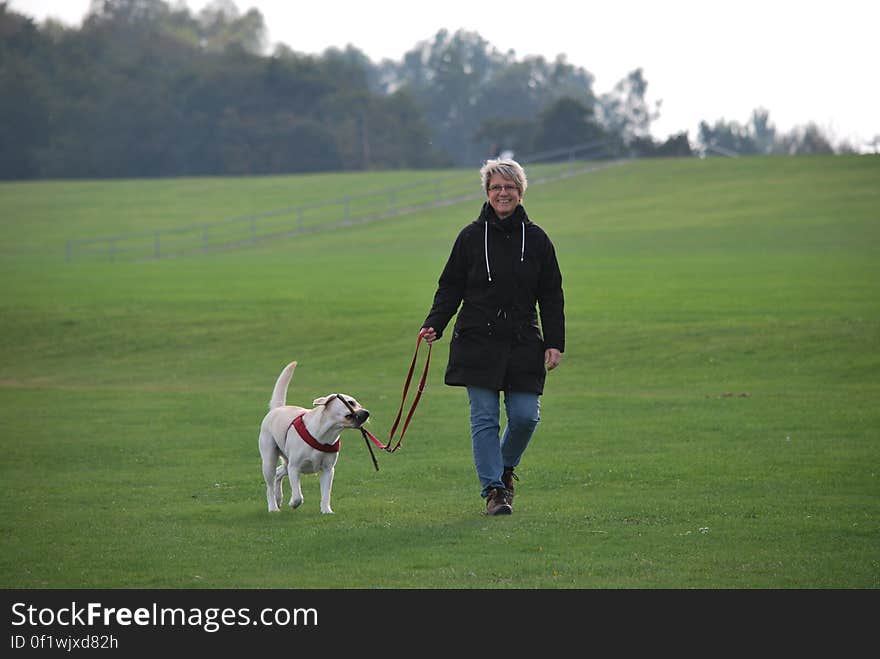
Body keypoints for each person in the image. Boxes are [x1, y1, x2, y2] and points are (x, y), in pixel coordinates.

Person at [421, 158, 565, 515]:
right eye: (497, 187)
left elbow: (551, 294)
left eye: (510, 188)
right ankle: (495, 491)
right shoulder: (470, 237)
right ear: (487, 192)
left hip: (523, 341)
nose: (504, 193)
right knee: (484, 417)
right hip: (477, 340)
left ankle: (504, 468)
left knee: (525, 416)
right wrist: (435, 323)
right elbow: (450, 286)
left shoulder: (537, 239)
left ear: (521, 193)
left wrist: (554, 341)